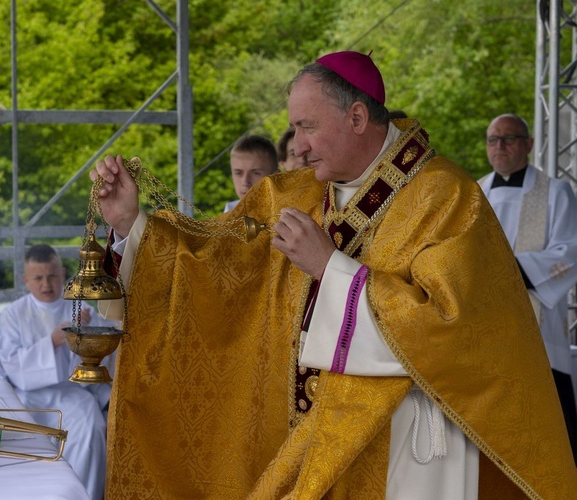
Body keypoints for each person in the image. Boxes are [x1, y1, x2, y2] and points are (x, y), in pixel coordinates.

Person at [90, 51, 577, 498]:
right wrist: (131, 224)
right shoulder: (291, 194)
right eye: (294, 128)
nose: (297, 146)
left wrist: (329, 267)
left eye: (307, 126)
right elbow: (213, 268)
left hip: (403, 447)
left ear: (357, 117)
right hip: (302, 434)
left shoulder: (444, 198)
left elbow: (450, 326)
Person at [479, 113, 577, 464]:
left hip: (540, 325)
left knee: (549, 434)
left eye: (509, 138)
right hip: (486, 325)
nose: (500, 145)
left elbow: (570, 250)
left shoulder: (555, 192)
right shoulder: (473, 194)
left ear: (529, 145)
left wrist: (512, 271)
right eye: (493, 139)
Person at [0, 244, 109, 500]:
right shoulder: (13, 314)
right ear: (26, 280)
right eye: (38, 278)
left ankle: (82, 495)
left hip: (71, 392)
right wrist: (54, 341)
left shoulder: (80, 308)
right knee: (17, 436)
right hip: (27, 397)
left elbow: (100, 357)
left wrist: (87, 334)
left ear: (63, 274)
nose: (46, 284)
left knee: (91, 424)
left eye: (52, 276)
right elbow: (13, 366)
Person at [223, 134, 279, 212]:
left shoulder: (291, 217)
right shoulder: (223, 221)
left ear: (275, 176)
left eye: (255, 173)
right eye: (238, 173)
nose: (245, 182)